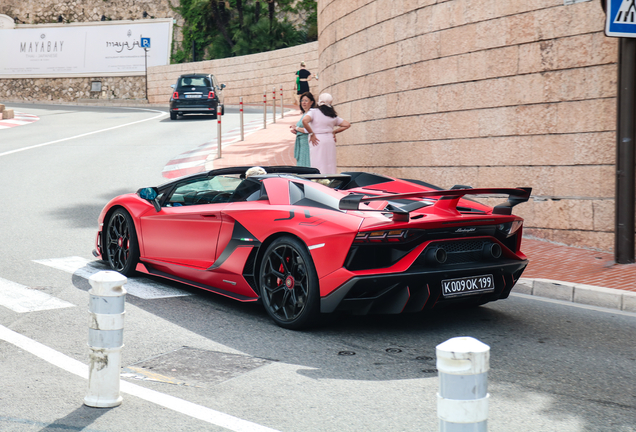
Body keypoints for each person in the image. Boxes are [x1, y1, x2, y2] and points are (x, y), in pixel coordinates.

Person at [302, 93, 351, 174]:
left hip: (317, 140)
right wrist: (334, 131)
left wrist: (311, 134)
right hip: (330, 140)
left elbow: (304, 120)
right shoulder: (332, 115)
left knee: (318, 163)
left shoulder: (313, 112)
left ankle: (319, 183)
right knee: (330, 163)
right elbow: (347, 124)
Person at [290, 92, 316, 167]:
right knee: (302, 163)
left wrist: (297, 128)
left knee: (305, 163)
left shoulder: (310, 114)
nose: (303, 103)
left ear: (311, 102)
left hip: (307, 143)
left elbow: (309, 129)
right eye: (302, 100)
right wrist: (297, 131)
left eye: (306, 101)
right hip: (302, 143)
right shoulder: (305, 113)